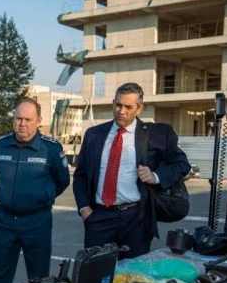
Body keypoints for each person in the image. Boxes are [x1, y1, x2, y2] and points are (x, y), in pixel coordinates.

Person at [73, 82, 190, 258]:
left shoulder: (156, 134)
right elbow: (81, 175)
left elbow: (181, 164)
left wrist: (156, 176)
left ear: (139, 108)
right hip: (99, 217)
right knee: (95, 275)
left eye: (128, 107)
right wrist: (84, 209)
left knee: (132, 276)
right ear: (113, 103)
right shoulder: (94, 134)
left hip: (137, 219)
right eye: (118, 105)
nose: (122, 111)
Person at [0, 98, 70, 283]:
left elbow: (62, 180)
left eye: (28, 119)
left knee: (38, 278)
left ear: (39, 121)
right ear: (13, 119)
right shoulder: (2, 145)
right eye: (18, 118)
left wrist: (42, 196)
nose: (22, 124)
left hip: (37, 222)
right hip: (5, 220)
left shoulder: (51, 149)